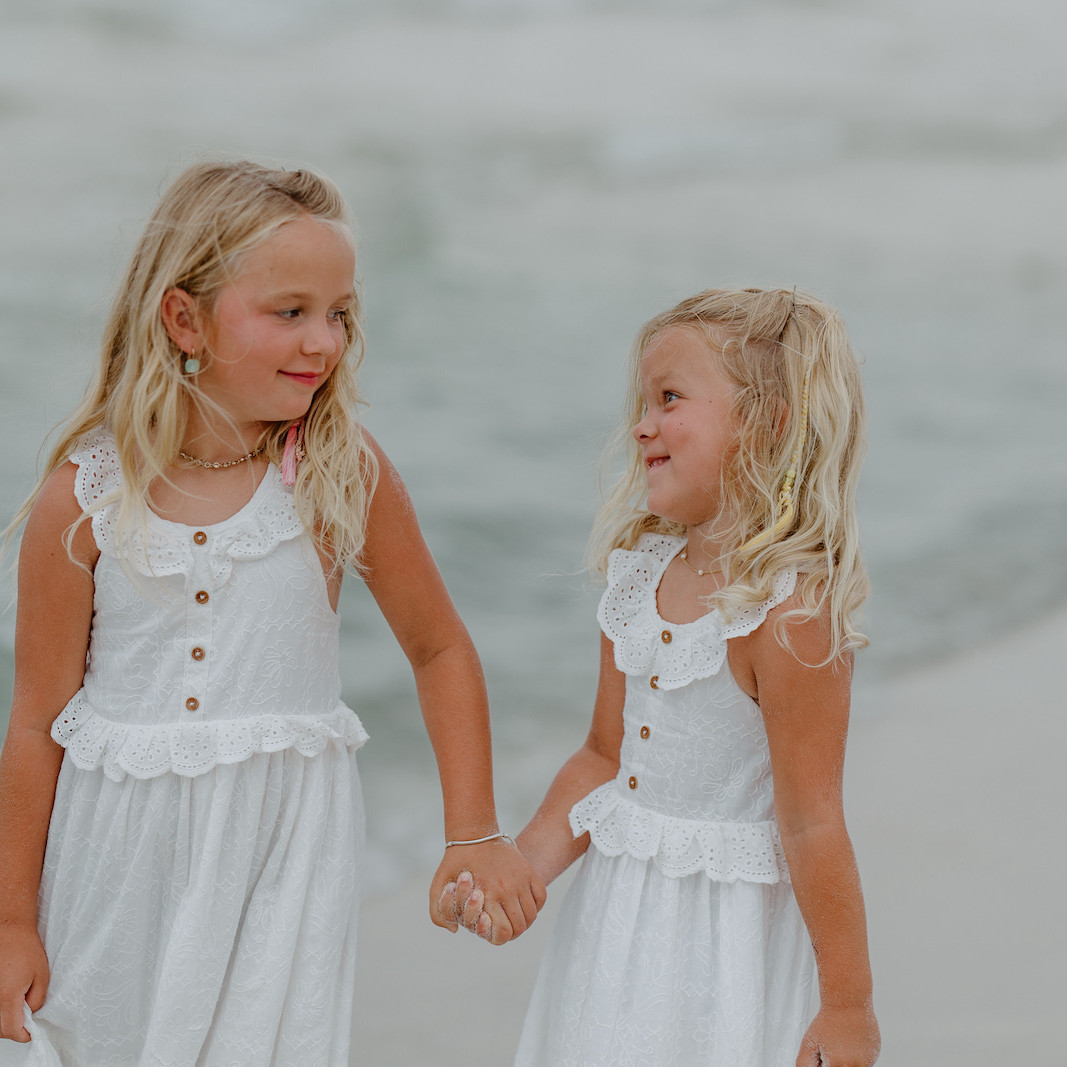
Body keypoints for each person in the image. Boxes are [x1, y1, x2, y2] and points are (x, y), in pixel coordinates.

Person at [0, 159, 545, 1066]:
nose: (324, 341)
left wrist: (474, 830)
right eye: (289, 312)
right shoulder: (82, 501)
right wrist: (12, 918)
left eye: (338, 313)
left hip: (279, 861)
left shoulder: (338, 474)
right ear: (185, 319)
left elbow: (439, 646)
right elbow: (33, 724)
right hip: (110, 866)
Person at [452, 288, 879, 1065]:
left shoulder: (786, 613)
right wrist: (525, 865)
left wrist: (847, 1004)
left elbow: (812, 822)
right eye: (642, 403)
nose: (641, 424)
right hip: (616, 917)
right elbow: (603, 757)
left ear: (766, 423)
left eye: (670, 398)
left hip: (722, 942)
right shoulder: (639, 578)